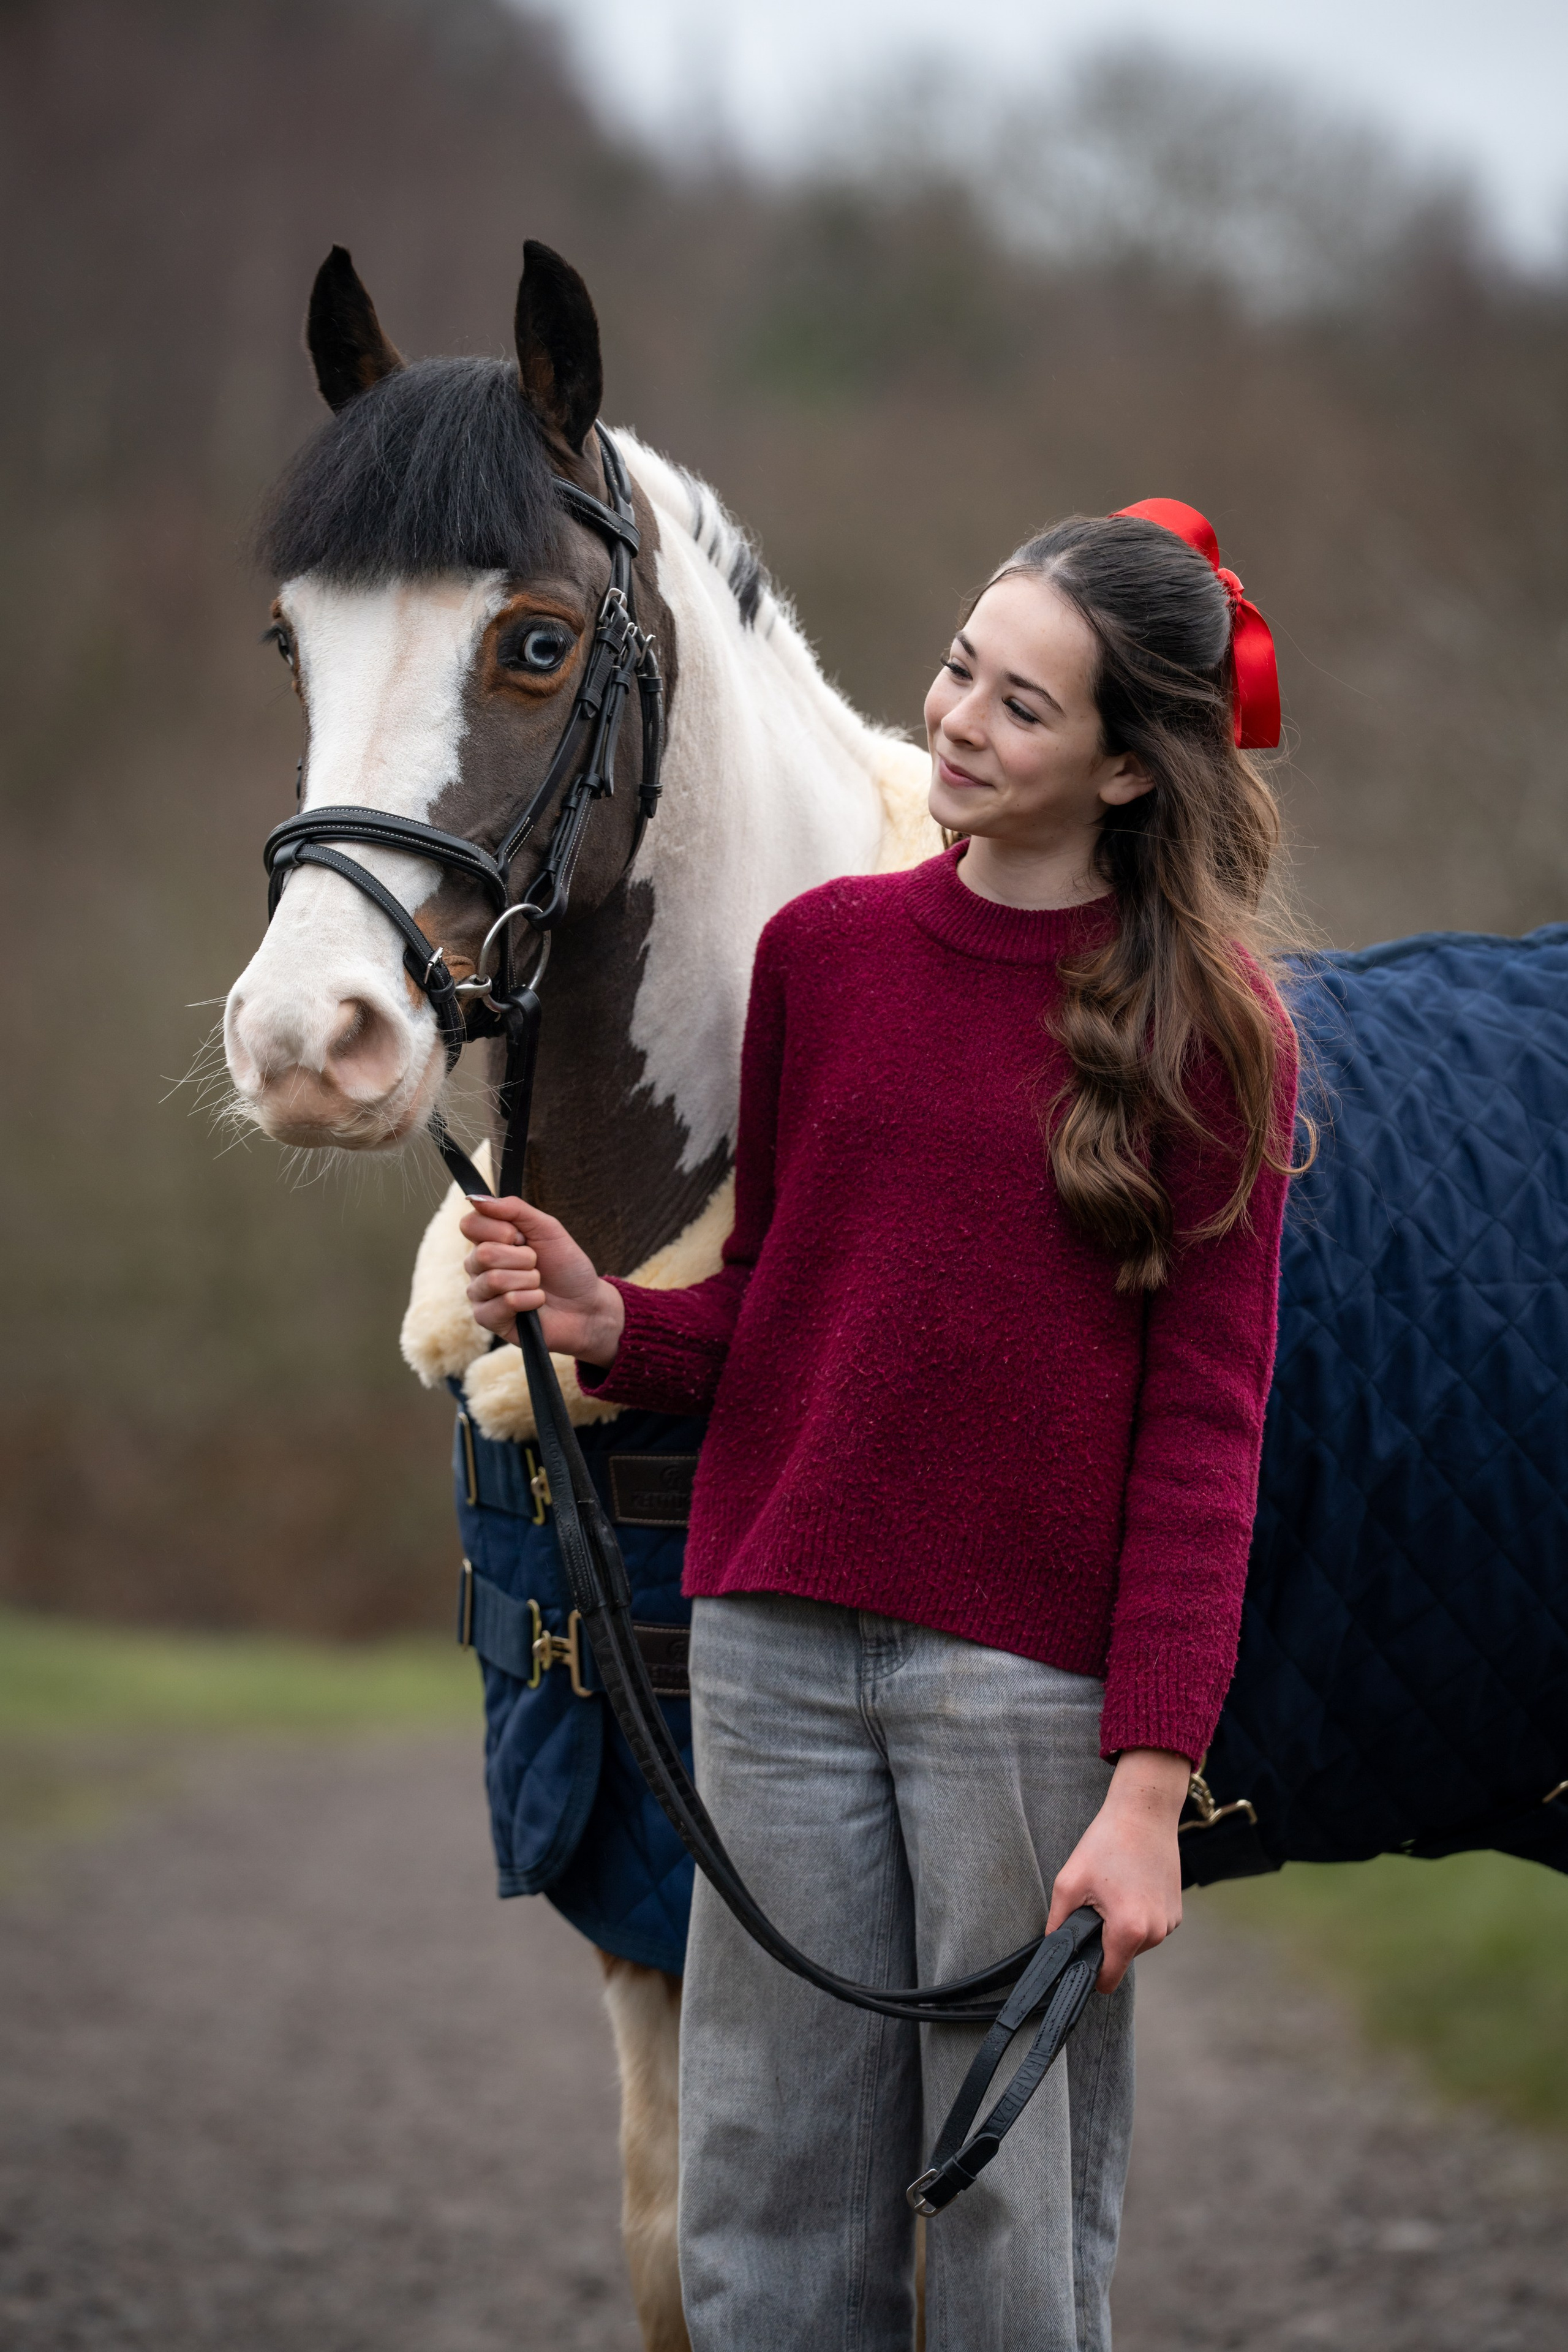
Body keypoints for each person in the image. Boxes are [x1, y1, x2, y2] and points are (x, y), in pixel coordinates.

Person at [459, 502, 1301, 2352]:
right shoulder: (823, 959)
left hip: (1021, 1696)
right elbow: (782, 1303)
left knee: (1009, 2220)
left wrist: (1148, 1793)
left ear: (1133, 771)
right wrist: (619, 1322)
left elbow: (1207, 1439)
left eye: (1024, 705)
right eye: (957, 672)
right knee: (763, 2198)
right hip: (765, 1656)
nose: (962, 722)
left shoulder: (1210, 1035)